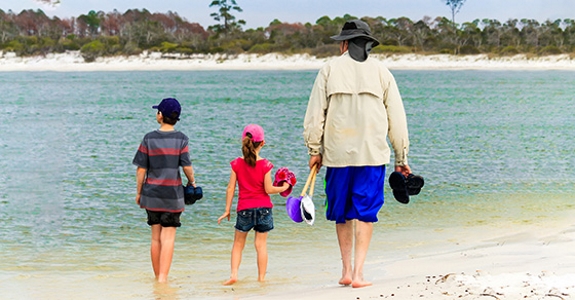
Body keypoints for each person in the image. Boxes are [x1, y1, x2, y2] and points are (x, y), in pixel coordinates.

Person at [303, 20, 412, 288]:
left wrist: (314, 150)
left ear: (344, 43)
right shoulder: (382, 72)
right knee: (366, 213)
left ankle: (346, 271)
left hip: (337, 156)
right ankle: (360, 274)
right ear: (367, 44)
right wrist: (402, 158)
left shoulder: (328, 70)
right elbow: (397, 119)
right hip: (372, 155)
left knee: (342, 212)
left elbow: (315, 114)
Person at [132, 97, 197, 283]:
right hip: (172, 196)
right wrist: (192, 182)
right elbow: (186, 166)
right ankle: (163, 279)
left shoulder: (149, 138)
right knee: (168, 238)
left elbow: (141, 169)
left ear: (160, 115)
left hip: (151, 194)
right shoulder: (181, 139)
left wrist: (139, 192)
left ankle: (156, 278)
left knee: (155, 238)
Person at [217, 124, 290, 285]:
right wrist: (284, 187)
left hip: (244, 209)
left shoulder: (236, 164)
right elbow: (268, 189)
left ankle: (234, 275)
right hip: (264, 209)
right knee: (261, 245)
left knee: (238, 244)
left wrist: (227, 210)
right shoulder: (266, 165)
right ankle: (261, 279)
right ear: (262, 143)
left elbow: (230, 188)